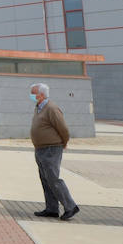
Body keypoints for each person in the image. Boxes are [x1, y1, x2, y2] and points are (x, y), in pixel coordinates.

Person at [29, 83, 78, 221]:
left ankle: (70, 206)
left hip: (51, 148)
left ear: (42, 94)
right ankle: (51, 208)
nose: (31, 96)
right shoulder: (38, 107)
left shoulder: (51, 108)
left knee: (53, 178)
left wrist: (64, 142)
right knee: (45, 179)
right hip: (40, 148)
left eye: (33, 93)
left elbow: (63, 128)